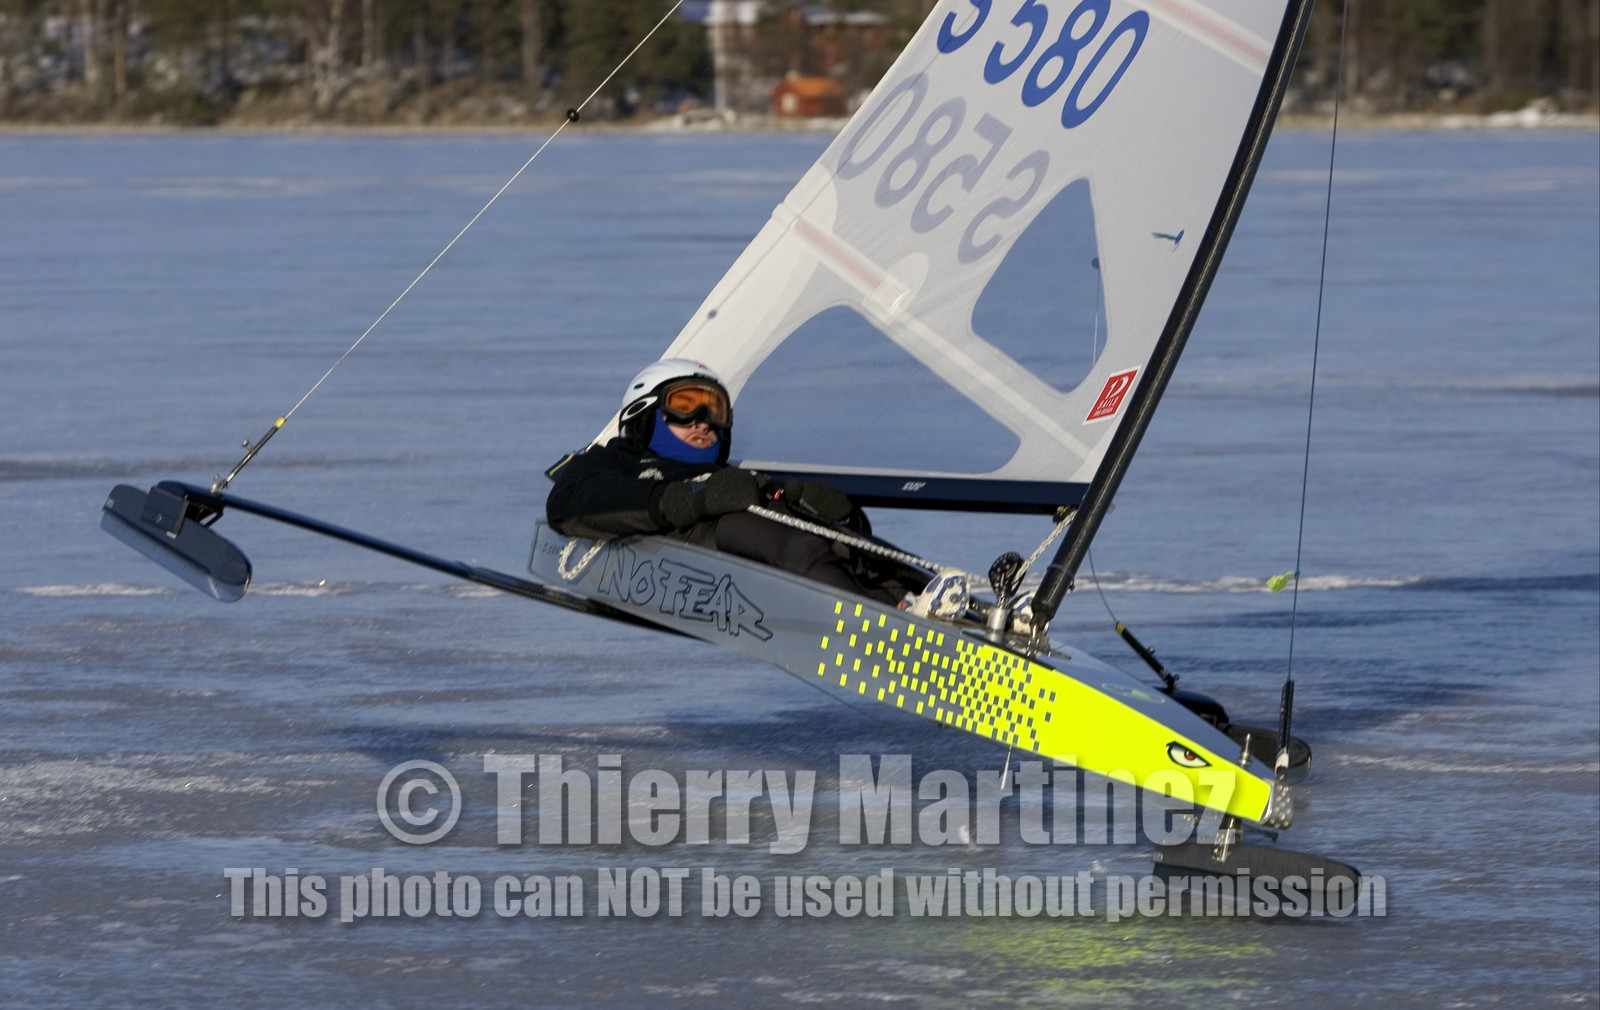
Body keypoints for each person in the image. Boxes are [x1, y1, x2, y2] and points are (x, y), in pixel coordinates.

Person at [545, 359, 916, 604]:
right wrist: (688, 500)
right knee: (793, 544)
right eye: (685, 406)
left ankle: (935, 608)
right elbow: (568, 502)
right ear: (645, 415)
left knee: (857, 547)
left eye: (715, 410)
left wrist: (842, 516)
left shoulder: (733, 477)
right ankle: (887, 633)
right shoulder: (611, 460)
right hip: (689, 543)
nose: (705, 421)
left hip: (755, 545)